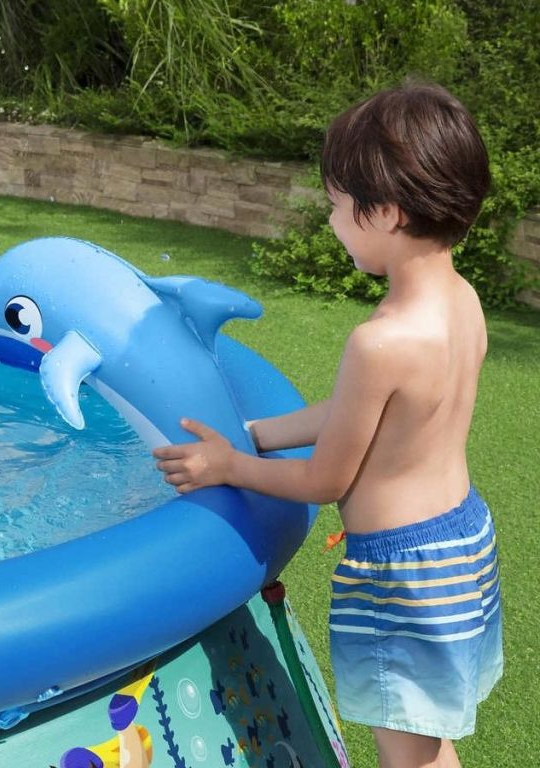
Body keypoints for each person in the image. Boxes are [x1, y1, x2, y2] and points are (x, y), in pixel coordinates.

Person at [153, 82, 502, 768]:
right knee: (426, 737)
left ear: (389, 214)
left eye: (339, 207)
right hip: (460, 543)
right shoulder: (463, 303)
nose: (333, 221)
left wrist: (228, 466)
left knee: (405, 749)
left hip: (400, 571)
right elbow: (359, 418)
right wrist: (259, 433)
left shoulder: (383, 340)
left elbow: (324, 480)